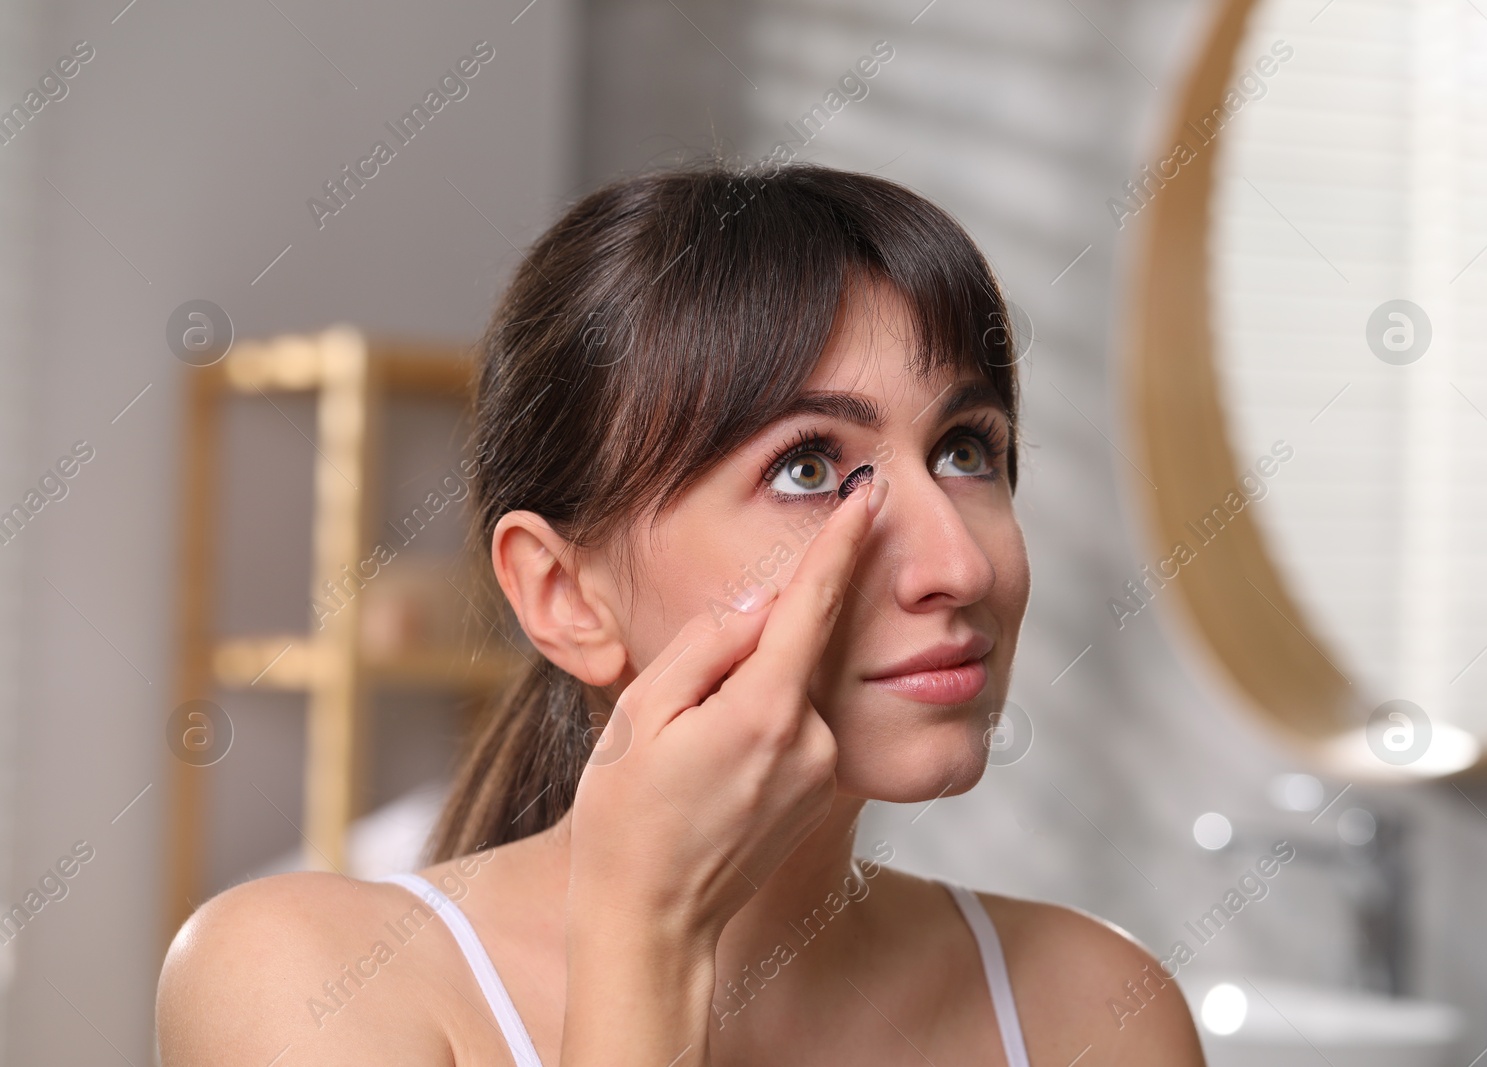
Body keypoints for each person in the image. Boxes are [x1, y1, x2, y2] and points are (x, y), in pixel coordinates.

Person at [156, 161, 1205, 1066]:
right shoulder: (306, 983)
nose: (956, 562)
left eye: (965, 449)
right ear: (564, 594)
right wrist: (644, 938)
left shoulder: (1094, 1010)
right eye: (809, 466)